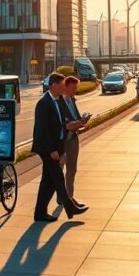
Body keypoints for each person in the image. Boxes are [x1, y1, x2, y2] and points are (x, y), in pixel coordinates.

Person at [32, 73, 88, 222]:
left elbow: (59, 125)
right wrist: (52, 150)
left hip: (56, 146)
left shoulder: (58, 101)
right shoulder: (44, 103)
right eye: (62, 84)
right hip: (46, 148)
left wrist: (72, 125)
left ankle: (40, 213)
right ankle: (70, 208)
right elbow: (42, 130)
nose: (64, 87)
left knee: (48, 182)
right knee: (57, 178)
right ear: (54, 85)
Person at [58, 76, 88, 204]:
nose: (75, 90)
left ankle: (69, 197)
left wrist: (82, 121)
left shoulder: (72, 100)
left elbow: (75, 117)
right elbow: (58, 122)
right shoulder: (59, 101)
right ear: (66, 86)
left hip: (73, 138)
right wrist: (71, 124)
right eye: (73, 88)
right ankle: (61, 197)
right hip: (63, 140)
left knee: (72, 169)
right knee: (59, 168)